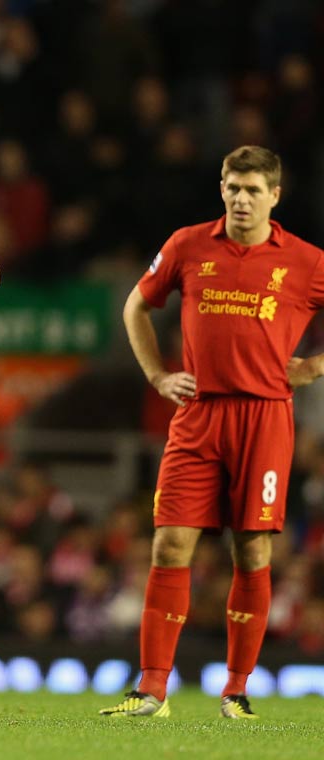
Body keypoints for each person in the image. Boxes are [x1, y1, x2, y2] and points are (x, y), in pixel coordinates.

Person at [100, 145, 324, 719]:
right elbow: (135, 307)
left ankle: (237, 689)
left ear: (275, 195)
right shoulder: (187, 244)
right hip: (197, 414)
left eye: (252, 190)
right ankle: (151, 689)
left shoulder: (304, 260)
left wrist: (315, 366)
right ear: (221, 188)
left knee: (251, 553)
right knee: (168, 544)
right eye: (232, 187)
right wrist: (156, 374)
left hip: (265, 417)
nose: (240, 199)